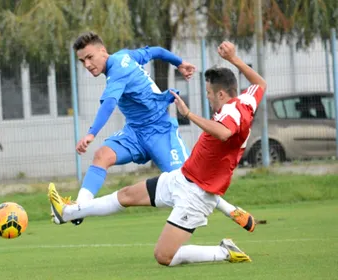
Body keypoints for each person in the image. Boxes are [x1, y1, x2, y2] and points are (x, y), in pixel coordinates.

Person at [49, 41, 266, 266]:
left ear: (221, 94)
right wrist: (232, 59)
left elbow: (225, 132)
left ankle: (224, 251)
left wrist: (188, 114)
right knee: (126, 195)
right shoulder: (247, 101)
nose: (207, 97)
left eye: (209, 93)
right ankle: (69, 212)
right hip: (179, 178)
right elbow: (260, 83)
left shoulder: (232, 113)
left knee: (164, 257)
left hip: (194, 193)